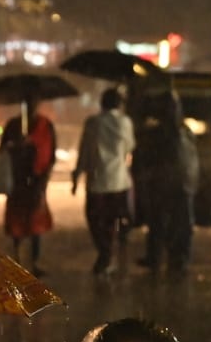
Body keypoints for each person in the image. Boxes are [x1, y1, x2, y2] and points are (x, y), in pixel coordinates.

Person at [72, 87, 137, 275]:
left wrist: (76, 175)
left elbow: (84, 151)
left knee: (95, 219)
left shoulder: (92, 123)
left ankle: (105, 252)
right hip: (119, 181)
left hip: (97, 181)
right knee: (111, 220)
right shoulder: (125, 122)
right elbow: (130, 147)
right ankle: (108, 253)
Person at [133, 91, 198, 272]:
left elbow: (149, 158)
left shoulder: (159, 133)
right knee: (179, 224)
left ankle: (158, 258)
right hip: (182, 184)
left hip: (165, 185)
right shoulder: (186, 132)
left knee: (159, 223)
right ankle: (178, 260)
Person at [0, 99, 56, 276]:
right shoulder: (14, 126)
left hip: (37, 180)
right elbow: (2, 150)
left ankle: (35, 261)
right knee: (17, 221)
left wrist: (43, 179)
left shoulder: (46, 126)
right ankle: (17, 258)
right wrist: (16, 146)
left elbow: (51, 154)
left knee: (35, 222)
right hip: (18, 181)